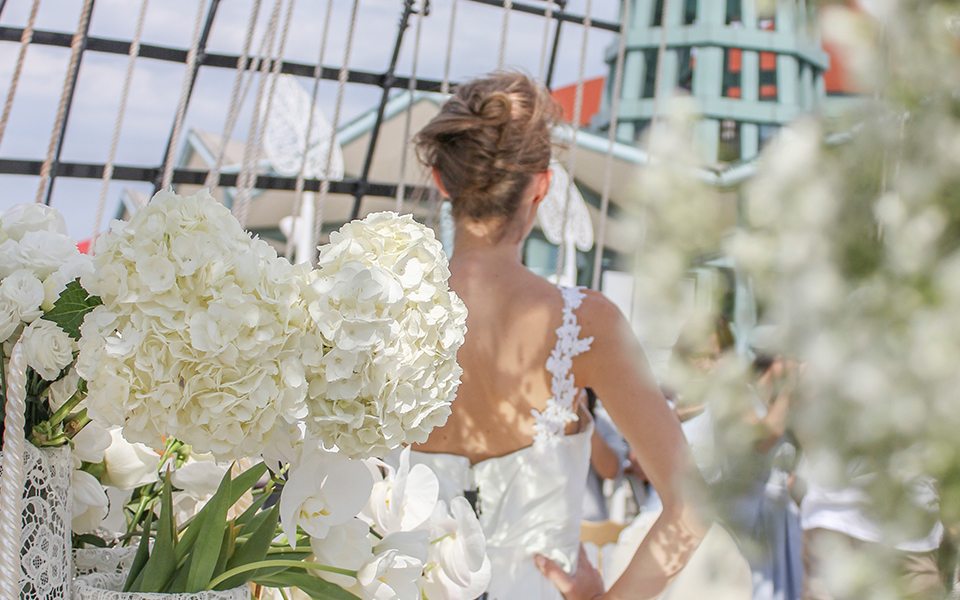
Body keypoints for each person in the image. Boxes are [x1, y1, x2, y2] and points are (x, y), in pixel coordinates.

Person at [410, 71, 705, 599]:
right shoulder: (587, 324)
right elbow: (690, 507)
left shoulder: (382, 315)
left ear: (442, 181)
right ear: (542, 186)